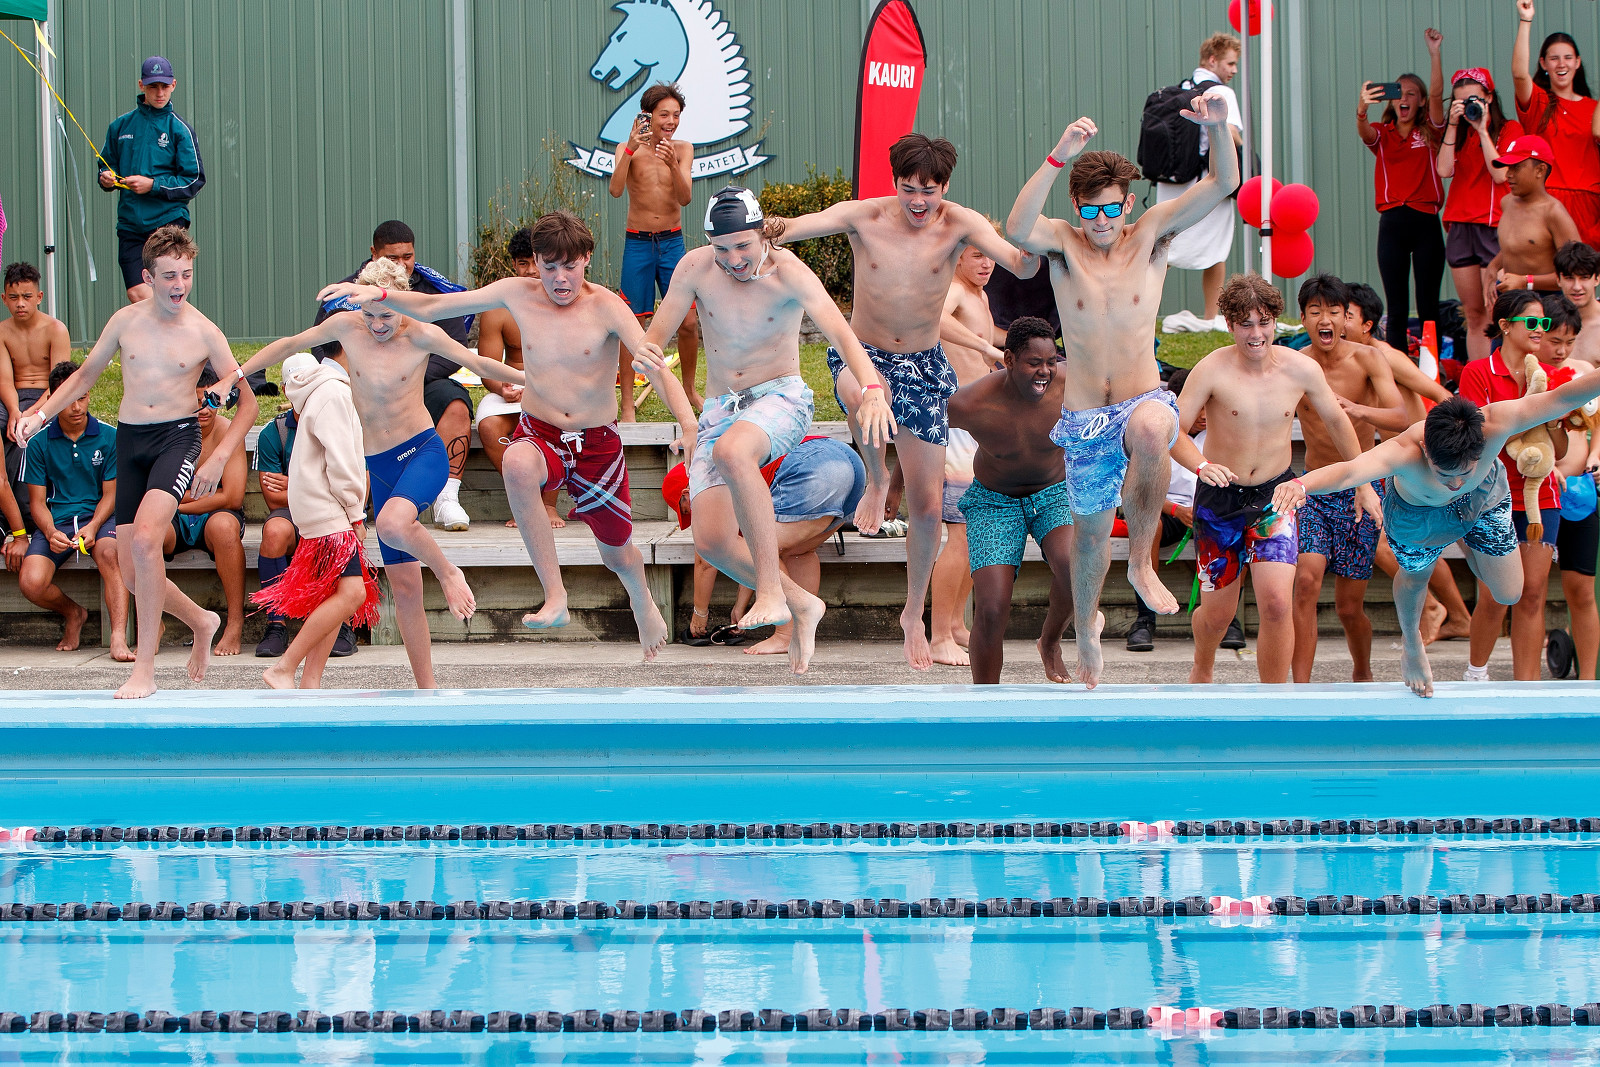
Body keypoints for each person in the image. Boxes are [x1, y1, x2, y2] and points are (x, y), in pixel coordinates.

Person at [313, 212, 692, 662]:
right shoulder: (517, 294)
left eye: (570, 267)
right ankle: (555, 595)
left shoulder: (607, 306)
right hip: (541, 430)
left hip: (597, 443)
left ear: (587, 259)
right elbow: (436, 308)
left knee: (618, 555)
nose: (560, 279)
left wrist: (688, 425)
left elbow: (653, 364)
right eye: (549, 267)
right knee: (516, 462)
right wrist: (378, 294)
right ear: (535, 263)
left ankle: (642, 600)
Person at [764, 133, 1040, 670]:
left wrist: (1032, 255)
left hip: (923, 364)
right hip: (864, 352)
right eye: (908, 189)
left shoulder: (959, 224)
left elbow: (1018, 263)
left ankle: (913, 613)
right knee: (865, 394)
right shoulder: (864, 216)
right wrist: (760, 227)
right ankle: (874, 476)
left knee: (930, 507)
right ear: (894, 182)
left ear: (945, 187)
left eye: (928, 191)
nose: (918, 201)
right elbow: (796, 227)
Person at [1006, 91, 1239, 688]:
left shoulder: (1150, 234)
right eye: (1091, 211)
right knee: (1088, 539)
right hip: (1085, 414)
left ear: (1128, 203)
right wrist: (1058, 156)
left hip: (1141, 398)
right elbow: (1016, 227)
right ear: (1077, 207)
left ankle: (1140, 562)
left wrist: (1218, 130)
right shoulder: (1064, 244)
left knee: (1155, 428)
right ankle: (1086, 629)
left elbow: (1222, 185)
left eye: (1112, 209)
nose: (1103, 222)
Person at [229, 257, 524, 686]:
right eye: (369, 315)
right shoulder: (349, 328)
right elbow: (290, 343)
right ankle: (424, 689)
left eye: (386, 314)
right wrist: (235, 374)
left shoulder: (422, 334)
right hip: (378, 466)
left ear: (401, 302)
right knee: (404, 589)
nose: (377, 324)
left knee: (390, 523)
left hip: (421, 453)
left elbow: (478, 364)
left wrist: (531, 381)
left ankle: (448, 572)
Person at [640, 187, 892, 672]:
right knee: (712, 542)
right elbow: (655, 341)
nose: (733, 259)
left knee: (733, 453)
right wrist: (656, 366)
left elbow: (843, 335)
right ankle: (802, 604)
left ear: (762, 235)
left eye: (743, 246)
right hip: (720, 407)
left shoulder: (790, 272)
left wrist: (873, 390)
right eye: (722, 248)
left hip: (780, 397)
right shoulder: (694, 268)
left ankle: (772, 592)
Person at [16, 226, 258, 700]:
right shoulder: (125, 322)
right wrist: (38, 416)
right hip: (131, 442)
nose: (179, 285)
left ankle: (144, 669)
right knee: (131, 571)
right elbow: (84, 375)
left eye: (186, 274)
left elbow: (247, 403)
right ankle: (201, 620)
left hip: (177, 439)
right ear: (147, 277)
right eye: (169, 276)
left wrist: (219, 457)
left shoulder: (205, 332)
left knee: (147, 540)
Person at [1274, 373, 1600, 696]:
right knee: (1416, 577)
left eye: (1464, 472)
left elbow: (1563, 397)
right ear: (1426, 450)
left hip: (1482, 500)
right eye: (1444, 474)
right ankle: (1412, 643)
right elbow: (1349, 472)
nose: (1455, 484)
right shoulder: (1403, 450)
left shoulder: (1498, 422)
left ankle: (1468, 538)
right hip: (1418, 516)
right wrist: (1301, 485)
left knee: (1509, 594)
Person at [1172, 274, 1372, 685]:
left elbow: (1338, 422)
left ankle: (1273, 697)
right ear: (1230, 325)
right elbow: (1173, 431)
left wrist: (1363, 482)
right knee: (1218, 614)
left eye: (1263, 323)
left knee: (1279, 604)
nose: (1256, 334)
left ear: (1275, 322)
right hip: (1220, 499)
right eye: (1245, 324)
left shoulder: (1300, 369)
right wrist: (1201, 466)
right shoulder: (1211, 369)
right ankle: (1202, 665)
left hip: (1274, 497)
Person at [313, 220, 477, 529]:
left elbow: (456, 346)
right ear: (373, 254)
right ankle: (352, 500)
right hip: (362, 388)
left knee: (455, 402)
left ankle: (446, 498)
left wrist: (407, 373)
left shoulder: (432, 290)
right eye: (393, 257)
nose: (402, 264)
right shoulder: (349, 293)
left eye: (408, 256)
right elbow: (322, 348)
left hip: (422, 384)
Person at [948, 316, 1077, 685]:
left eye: (1051, 362)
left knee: (1076, 571)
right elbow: (924, 434)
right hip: (994, 502)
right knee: (991, 609)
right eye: (1034, 363)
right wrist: (893, 486)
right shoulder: (972, 402)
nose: (1045, 372)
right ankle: (985, 701)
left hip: (1053, 492)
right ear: (1008, 360)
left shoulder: (1071, 385)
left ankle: (1049, 642)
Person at [1343, 281, 1471, 645]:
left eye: (1346, 315)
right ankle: (1460, 617)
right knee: (1414, 540)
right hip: (1399, 464)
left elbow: (1442, 395)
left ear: (1367, 325)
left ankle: (1433, 608)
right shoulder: (1353, 359)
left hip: (1422, 461)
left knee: (1385, 542)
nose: (1337, 322)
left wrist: (1448, 445)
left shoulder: (1386, 356)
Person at [1289, 275, 1402, 683]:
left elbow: (1402, 416)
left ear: (1345, 318)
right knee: (1305, 583)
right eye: (1315, 311)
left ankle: (1363, 672)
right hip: (1316, 488)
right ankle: (1299, 690)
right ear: (1303, 319)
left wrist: (1357, 410)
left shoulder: (1369, 359)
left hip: (1362, 489)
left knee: (1349, 607)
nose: (1326, 319)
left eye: (1334, 311)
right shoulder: (1296, 365)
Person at [1460, 290, 1574, 680]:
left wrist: (1553, 421)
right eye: (1533, 322)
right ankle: (1476, 674)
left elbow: (1559, 450)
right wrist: (1528, 409)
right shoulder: (1478, 372)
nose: (1541, 330)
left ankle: (1528, 686)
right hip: (1489, 498)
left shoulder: (1551, 377)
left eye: (1545, 322)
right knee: (1496, 593)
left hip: (1541, 497)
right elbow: (1476, 438)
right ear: (1505, 326)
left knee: (1533, 594)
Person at [662, 435, 867, 654]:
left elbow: (707, 561)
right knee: (800, 552)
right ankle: (798, 632)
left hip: (814, 466)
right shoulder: (725, 471)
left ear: (687, 494)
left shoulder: (707, 483)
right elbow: (752, 548)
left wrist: (699, 616)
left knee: (761, 549)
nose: (692, 516)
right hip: (850, 466)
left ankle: (786, 636)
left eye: (686, 511)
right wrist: (740, 607)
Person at [255, 353, 381, 690]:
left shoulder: (315, 395)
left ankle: (310, 681)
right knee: (352, 594)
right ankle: (284, 667)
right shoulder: (334, 394)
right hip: (331, 512)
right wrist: (356, 513)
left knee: (334, 596)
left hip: (316, 510)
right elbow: (343, 463)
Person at [1126, 367, 1244, 653]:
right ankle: (1145, 619)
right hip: (1168, 512)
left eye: (1207, 406)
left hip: (1210, 510)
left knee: (1237, 528)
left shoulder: (1220, 435)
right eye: (1197, 407)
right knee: (1150, 526)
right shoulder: (1157, 434)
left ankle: (1229, 619)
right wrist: (1176, 510)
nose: (1203, 414)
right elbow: (1136, 492)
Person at [18, 360, 131, 659]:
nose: (76, 407)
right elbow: (37, 503)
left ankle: (118, 637)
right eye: (68, 399)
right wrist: (50, 531)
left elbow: (111, 495)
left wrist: (93, 526)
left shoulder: (109, 436)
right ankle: (74, 613)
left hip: (101, 518)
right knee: (31, 582)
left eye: (82, 397)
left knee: (111, 553)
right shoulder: (39, 442)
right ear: (53, 399)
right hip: (57, 522)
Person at [931, 240, 1006, 666]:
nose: (986, 262)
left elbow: (985, 342)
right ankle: (939, 634)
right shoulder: (955, 290)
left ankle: (957, 623)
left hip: (981, 424)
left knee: (974, 531)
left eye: (990, 255)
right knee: (959, 533)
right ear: (957, 256)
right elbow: (936, 319)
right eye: (977, 254)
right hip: (957, 424)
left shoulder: (981, 296)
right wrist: (987, 348)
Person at [609, 82, 702, 418]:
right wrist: (630, 150)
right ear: (647, 116)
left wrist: (673, 164)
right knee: (633, 324)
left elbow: (685, 198)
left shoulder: (683, 149)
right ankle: (627, 402)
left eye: (676, 115)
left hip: (672, 243)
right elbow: (615, 190)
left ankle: (689, 389)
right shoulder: (626, 149)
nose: (671, 121)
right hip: (638, 244)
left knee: (688, 322)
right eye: (664, 114)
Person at [1356, 28, 1447, 354]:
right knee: (1396, 308)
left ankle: (1431, 370)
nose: (1404, 99)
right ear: (1391, 100)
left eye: (1411, 94)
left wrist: (1434, 53)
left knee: (1428, 306)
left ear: (1420, 101)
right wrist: (1362, 107)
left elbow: (1437, 96)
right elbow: (1364, 132)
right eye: (1399, 93)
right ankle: (1397, 373)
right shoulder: (1383, 133)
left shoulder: (1431, 130)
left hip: (1426, 223)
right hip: (1392, 224)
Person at [251, 399, 358, 661]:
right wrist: (319, 486)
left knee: (341, 531)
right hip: (293, 512)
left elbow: (358, 489)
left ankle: (343, 624)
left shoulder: (342, 423)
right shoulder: (274, 432)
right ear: (286, 391)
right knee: (274, 531)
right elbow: (273, 499)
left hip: (337, 512)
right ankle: (276, 624)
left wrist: (294, 484)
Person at [96, 56, 205, 306]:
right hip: (130, 225)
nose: (159, 93)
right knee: (137, 294)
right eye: (153, 86)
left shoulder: (180, 129)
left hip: (168, 223)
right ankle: (169, 329)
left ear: (173, 85)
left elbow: (194, 180)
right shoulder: (120, 126)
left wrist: (153, 185)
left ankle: (187, 331)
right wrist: (106, 178)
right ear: (141, 85)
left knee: (169, 293)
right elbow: (106, 165)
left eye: (164, 86)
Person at [1157, 31, 1245, 333]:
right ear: (1212, 60)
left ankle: (1143, 308)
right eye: (1230, 63)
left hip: (1173, 182)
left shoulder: (1179, 90)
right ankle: (1211, 316)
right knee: (1216, 249)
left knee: (1164, 249)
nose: (1234, 70)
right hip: (1208, 182)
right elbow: (1232, 134)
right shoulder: (1221, 92)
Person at [475, 227, 561, 530]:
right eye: (523, 263)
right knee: (489, 426)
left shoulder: (564, 299)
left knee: (559, 418)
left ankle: (548, 505)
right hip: (512, 386)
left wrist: (541, 389)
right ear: (514, 264)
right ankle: (527, 502)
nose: (532, 271)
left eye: (537, 262)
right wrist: (503, 388)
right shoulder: (498, 307)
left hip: (554, 388)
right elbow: (487, 367)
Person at [1436, 67, 1524, 362]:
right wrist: (1452, 124)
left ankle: (1501, 375)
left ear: (1489, 97)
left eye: (1474, 99)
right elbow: (1443, 170)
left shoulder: (1509, 129)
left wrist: (1482, 129)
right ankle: (1478, 379)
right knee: (1474, 314)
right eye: (1460, 102)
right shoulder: (1457, 133)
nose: (1468, 106)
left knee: (1496, 310)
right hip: (1460, 225)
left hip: (1493, 224)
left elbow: (1500, 174)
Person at [162, 366, 248, 657]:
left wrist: (180, 502)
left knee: (224, 528)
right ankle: (154, 620)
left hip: (215, 514)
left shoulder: (227, 432)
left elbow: (232, 497)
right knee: (148, 532)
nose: (204, 409)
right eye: (197, 401)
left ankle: (234, 623)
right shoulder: (171, 430)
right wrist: (178, 504)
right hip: (177, 517)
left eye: (211, 401)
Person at [1539, 295, 1599, 678]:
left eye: (1570, 342)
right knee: (1532, 592)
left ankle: (1589, 682)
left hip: (1580, 493)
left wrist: (1596, 456)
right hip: (1538, 492)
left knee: (1582, 590)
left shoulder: (1585, 372)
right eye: (1555, 341)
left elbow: (1598, 425)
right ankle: (1526, 682)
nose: (1562, 351)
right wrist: (1547, 468)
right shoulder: (1530, 375)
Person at [1511, 0, 1600, 247]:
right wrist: (1525, 20)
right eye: (1554, 58)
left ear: (1577, 62)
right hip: (1547, 200)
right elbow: (1519, 74)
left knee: (1583, 270)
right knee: (1546, 269)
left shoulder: (1594, 108)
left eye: (1568, 58)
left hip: (1589, 204)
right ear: (1543, 63)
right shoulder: (1539, 102)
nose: (1562, 64)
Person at [1, 262, 71, 495]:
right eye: (14, 297)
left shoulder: (55, 329)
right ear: (4, 299)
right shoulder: (2, 332)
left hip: (47, 397)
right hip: (12, 398)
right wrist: (14, 412)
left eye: (27, 296)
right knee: (10, 428)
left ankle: (26, 504)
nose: (20, 303)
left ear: (39, 297)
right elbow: (4, 381)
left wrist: (31, 414)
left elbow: (59, 384)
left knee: (29, 434)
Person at [1488, 135, 1582, 299]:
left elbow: (1575, 272)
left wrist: (1526, 281)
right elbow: (1519, 246)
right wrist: (1492, 268)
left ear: (1540, 170)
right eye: (1508, 167)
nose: (1508, 174)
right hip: (1511, 298)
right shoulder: (1506, 203)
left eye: (1516, 167)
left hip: (1546, 302)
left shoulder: (1553, 212)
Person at [1556, 241, 1600, 365]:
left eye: (1584, 277)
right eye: (1569, 278)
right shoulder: (1544, 323)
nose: (1577, 287)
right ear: (1558, 280)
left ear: (1597, 279)